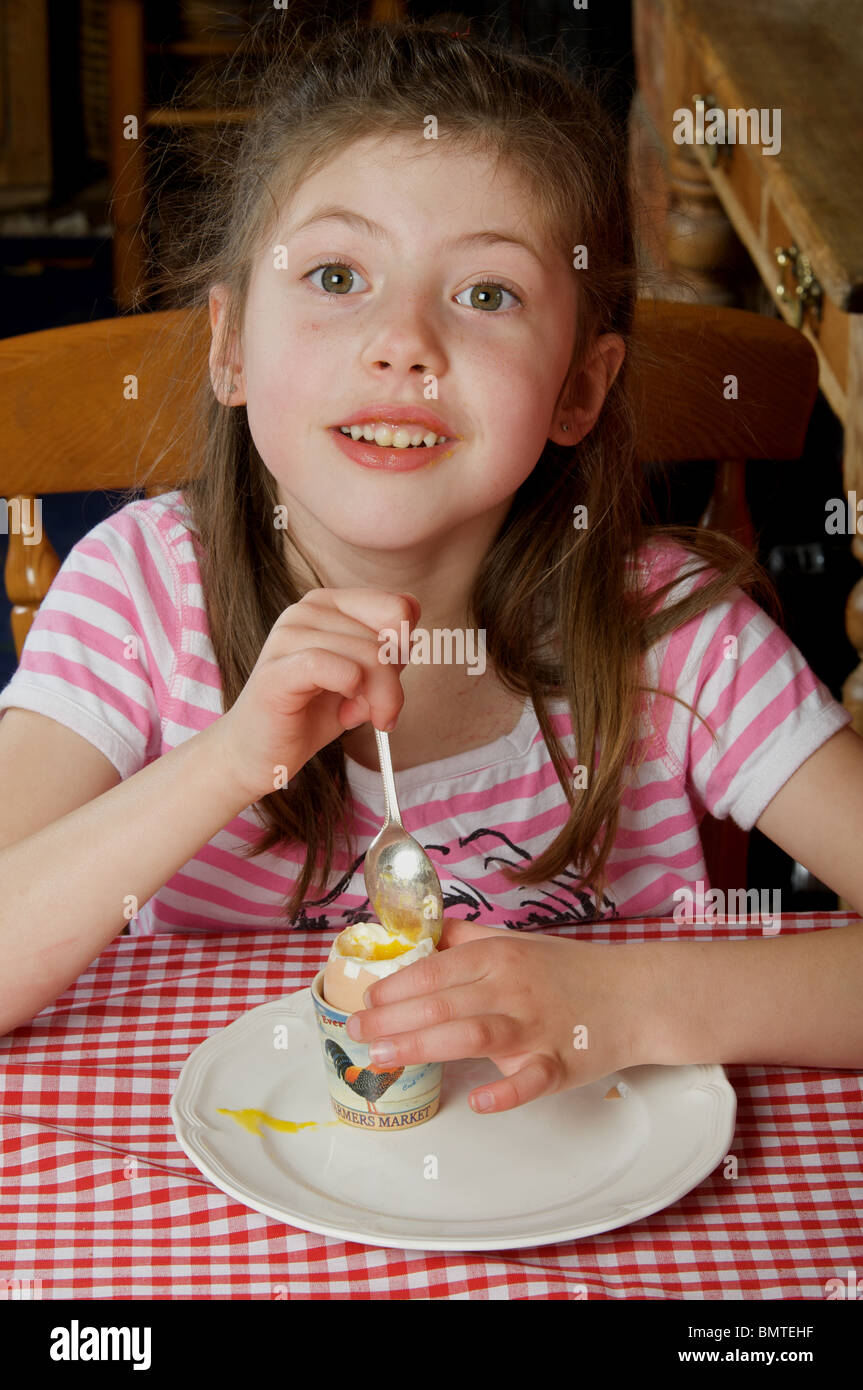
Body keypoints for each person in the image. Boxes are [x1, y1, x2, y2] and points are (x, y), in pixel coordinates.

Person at [1, 18, 861, 1116]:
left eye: (486, 293)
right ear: (228, 345)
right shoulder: (140, 595)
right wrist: (227, 759)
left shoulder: (673, 635)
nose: (401, 340)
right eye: (333, 273)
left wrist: (626, 997)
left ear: (576, 391)